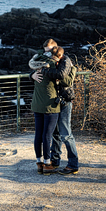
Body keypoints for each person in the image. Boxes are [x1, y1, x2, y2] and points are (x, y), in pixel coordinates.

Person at [33, 38, 80, 175]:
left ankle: (73, 164)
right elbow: (36, 69)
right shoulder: (50, 61)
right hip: (55, 101)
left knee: (66, 134)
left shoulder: (65, 61)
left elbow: (62, 76)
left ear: (56, 49)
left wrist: (45, 70)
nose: (48, 55)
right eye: (46, 53)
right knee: (55, 134)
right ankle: (55, 161)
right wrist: (33, 75)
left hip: (64, 101)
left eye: (50, 52)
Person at [29, 45, 62, 174]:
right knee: (47, 135)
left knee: (38, 134)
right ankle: (47, 163)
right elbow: (63, 77)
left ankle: (39, 162)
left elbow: (31, 67)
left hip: (37, 105)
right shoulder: (53, 65)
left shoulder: (37, 65)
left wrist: (31, 75)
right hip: (50, 106)